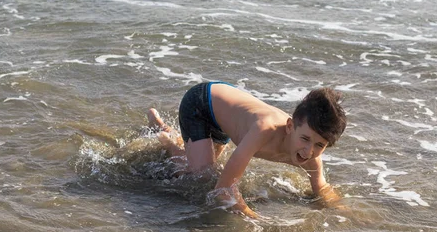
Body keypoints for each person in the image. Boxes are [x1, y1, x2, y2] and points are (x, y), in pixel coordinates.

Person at [147, 82, 347, 219]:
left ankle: (170, 134)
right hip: (201, 102)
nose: (308, 150)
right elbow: (224, 187)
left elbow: (321, 189)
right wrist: (254, 218)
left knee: (206, 164)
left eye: (320, 145)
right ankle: (166, 139)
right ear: (289, 126)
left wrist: (344, 212)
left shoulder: (311, 156)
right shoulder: (263, 131)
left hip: (225, 114)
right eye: (305, 139)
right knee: (202, 175)